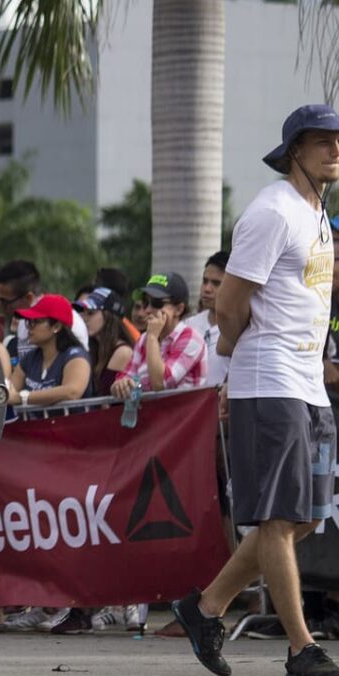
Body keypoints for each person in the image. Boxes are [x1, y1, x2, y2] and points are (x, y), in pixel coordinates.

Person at [173, 104, 339, 676]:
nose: (335, 151)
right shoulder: (272, 211)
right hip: (270, 381)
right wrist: (238, 347)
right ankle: (302, 648)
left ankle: (206, 607)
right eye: (322, 141)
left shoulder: (316, 211)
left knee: (307, 518)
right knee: (275, 518)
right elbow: (230, 302)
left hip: (309, 385)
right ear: (294, 149)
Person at [111, 273, 206, 399]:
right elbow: (126, 375)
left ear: (179, 309)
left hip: (183, 416)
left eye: (156, 303)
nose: (147, 310)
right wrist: (120, 385)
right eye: (145, 302)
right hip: (152, 416)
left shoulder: (191, 338)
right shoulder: (144, 339)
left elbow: (160, 384)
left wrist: (152, 338)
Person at [0, 261, 89, 366]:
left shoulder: (70, 321)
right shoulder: (23, 322)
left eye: (5, 301)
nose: (0, 307)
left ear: (28, 298)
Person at [6, 294, 92, 408]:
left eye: (35, 321)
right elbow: (9, 391)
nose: (29, 327)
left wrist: (22, 398)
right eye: (28, 322)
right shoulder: (30, 358)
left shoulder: (76, 356)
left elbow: (72, 391)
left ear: (56, 326)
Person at [72, 287, 134, 395]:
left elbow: (104, 395)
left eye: (91, 313)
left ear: (109, 316)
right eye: (84, 313)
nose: (84, 318)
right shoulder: (93, 346)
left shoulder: (122, 351)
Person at [183, 251, 231, 388]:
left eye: (216, 283)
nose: (207, 289)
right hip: (191, 407)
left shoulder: (241, 330)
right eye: (205, 281)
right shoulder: (188, 326)